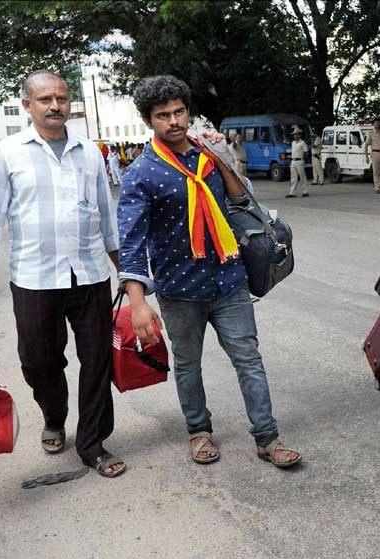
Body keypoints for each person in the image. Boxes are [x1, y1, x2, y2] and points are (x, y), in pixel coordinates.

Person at [117, 74, 302, 468]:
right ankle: (199, 431)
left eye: (179, 111)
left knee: (248, 358)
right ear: (149, 121)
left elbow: (241, 201)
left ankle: (267, 437)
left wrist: (223, 159)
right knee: (187, 365)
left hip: (229, 279)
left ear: (189, 111)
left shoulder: (207, 157)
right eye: (163, 115)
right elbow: (131, 244)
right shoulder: (141, 174)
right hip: (179, 288)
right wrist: (137, 302)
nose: (174, 121)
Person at [0, 70, 126, 478]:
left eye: (62, 98)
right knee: (38, 361)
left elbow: (106, 217)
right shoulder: (7, 152)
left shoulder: (90, 151)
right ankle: (54, 416)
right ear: (27, 106)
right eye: (45, 100)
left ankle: (92, 444)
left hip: (88, 275)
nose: (55, 106)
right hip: (34, 278)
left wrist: (127, 271)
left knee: (98, 361)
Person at [286, 125, 309, 198]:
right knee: (293, 177)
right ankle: (292, 192)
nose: (295, 136)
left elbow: (306, 152)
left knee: (302, 177)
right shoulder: (293, 143)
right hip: (293, 161)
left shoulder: (302, 143)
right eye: (294, 134)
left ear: (299, 135)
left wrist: (303, 159)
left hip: (299, 161)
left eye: (296, 134)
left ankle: (305, 191)